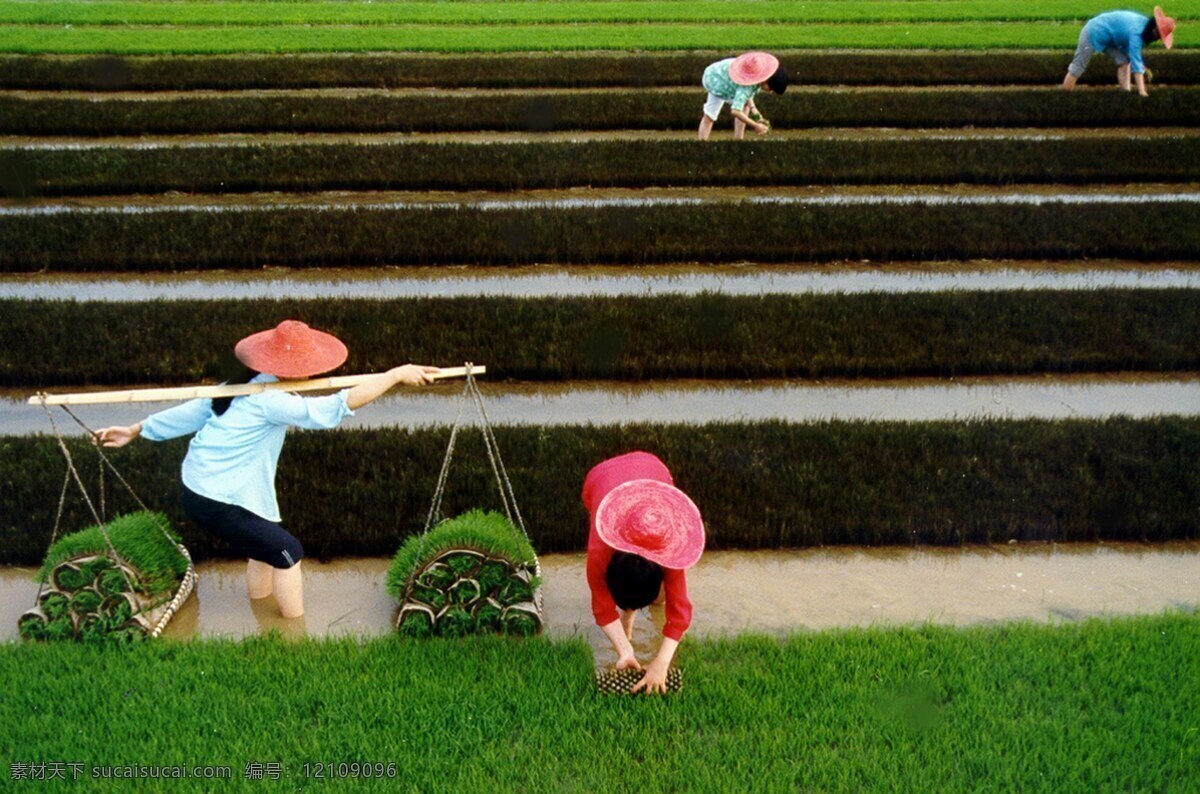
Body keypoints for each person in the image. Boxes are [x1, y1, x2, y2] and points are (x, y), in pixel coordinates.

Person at [94, 319, 441, 619]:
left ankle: (259, 611)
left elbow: (196, 410)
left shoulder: (242, 380)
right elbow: (337, 407)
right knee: (288, 552)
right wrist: (395, 374)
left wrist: (136, 428)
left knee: (263, 544)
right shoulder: (272, 400)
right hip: (214, 497)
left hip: (201, 482)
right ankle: (293, 634)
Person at [583, 451, 705, 694]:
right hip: (601, 478)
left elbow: (680, 613)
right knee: (631, 591)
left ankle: (636, 609)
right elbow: (602, 606)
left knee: (664, 600)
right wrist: (624, 649)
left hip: (652, 468)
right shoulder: (600, 548)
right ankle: (627, 619)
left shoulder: (671, 542)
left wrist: (661, 663)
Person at [1062, 6, 1175, 97]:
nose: (1156, 38)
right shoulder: (1136, 33)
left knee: (1123, 60)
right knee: (1078, 67)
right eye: (1157, 34)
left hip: (1108, 38)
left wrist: (1142, 67)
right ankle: (1065, 98)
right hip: (1093, 32)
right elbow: (1136, 62)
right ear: (1154, 27)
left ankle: (1125, 95)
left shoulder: (1143, 25)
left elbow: (1131, 55)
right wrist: (1142, 91)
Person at [698, 51, 789, 140]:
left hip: (722, 72)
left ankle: (739, 139)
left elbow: (747, 94)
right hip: (716, 81)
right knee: (710, 116)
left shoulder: (758, 72)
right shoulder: (745, 87)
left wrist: (755, 111)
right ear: (766, 81)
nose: (770, 92)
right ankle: (702, 144)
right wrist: (755, 125)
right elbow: (735, 110)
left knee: (745, 104)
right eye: (771, 89)